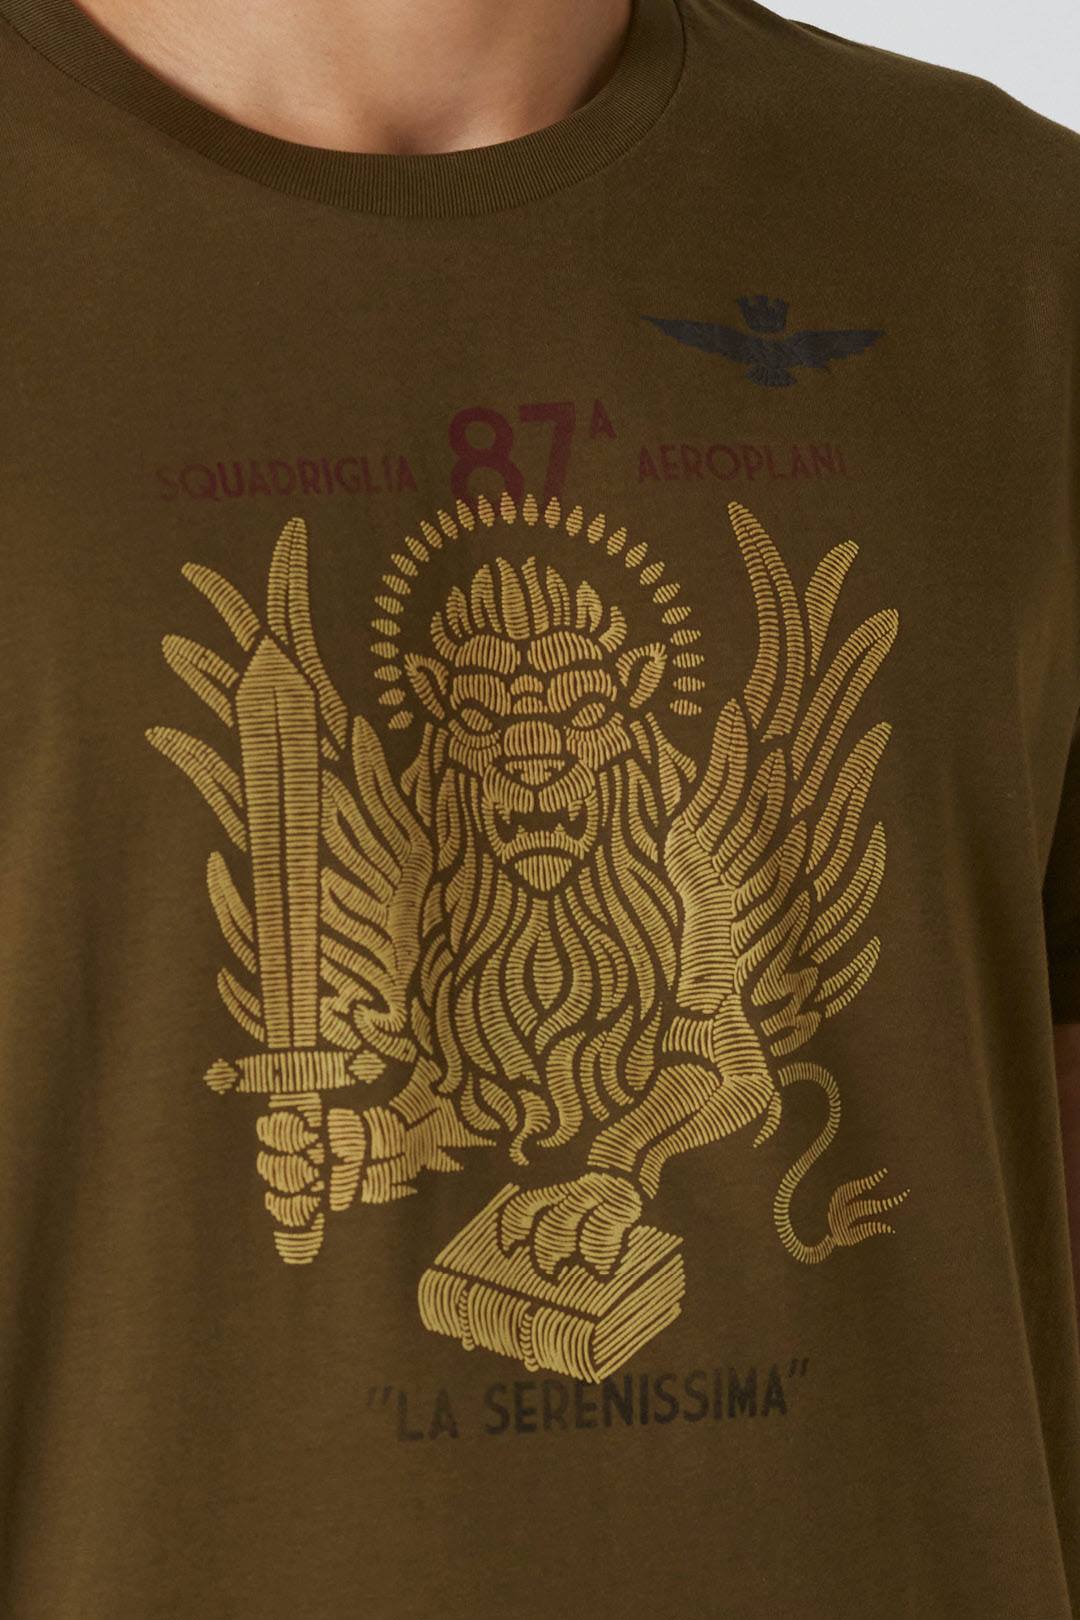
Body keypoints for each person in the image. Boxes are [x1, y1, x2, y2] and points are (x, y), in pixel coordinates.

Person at [0, 0, 1078, 1614]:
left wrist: (617, 1167)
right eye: (493, 733)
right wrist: (363, 1137)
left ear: (631, 713)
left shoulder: (1011, 245)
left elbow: (795, 1072)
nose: (530, 771)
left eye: (569, 729)